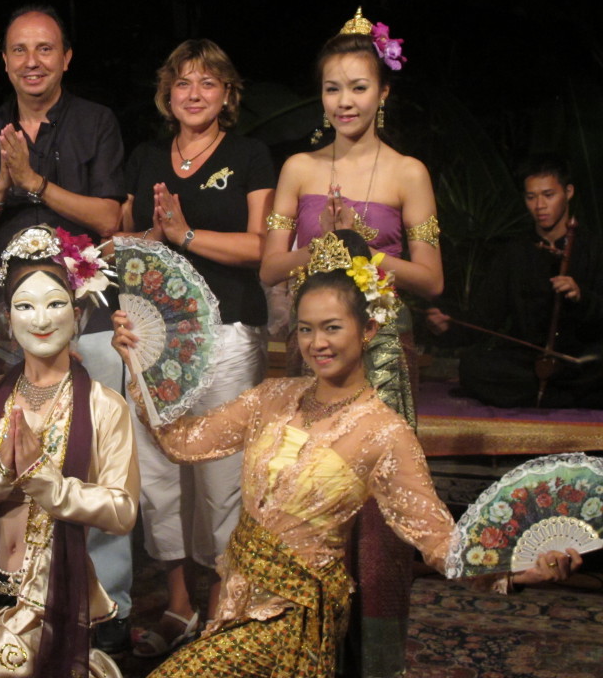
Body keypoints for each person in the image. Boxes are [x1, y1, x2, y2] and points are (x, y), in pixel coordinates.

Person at [114, 230, 583, 678]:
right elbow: (182, 443)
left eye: (332, 328)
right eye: (305, 329)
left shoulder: (384, 433)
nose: (317, 343)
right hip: (236, 600)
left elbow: (440, 541)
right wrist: (139, 363)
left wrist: (522, 570)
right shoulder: (271, 397)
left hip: (294, 617)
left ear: (369, 327)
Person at [259, 8, 441, 677]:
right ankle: (308, 654)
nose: (345, 101)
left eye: (358, 87)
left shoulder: (407, 173)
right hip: (312, 356)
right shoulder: (299, 170)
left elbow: (432, 278)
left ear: (383, 93)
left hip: (383, 356)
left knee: (380, 519)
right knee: (310, 505)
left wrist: (362, 251)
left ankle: (378, 660)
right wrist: (319, 247)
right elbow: (272, 266)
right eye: (334, 88)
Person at [0, 4, 133, 652]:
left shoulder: (95, 123)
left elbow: (110, 216)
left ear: (66, 58)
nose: (32, 61)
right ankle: (5, 598)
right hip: (5, 323)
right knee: (2, 454)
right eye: (20, 50)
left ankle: (104, 607)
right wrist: (3, 185)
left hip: (86, 317)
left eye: (45, 49)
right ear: (4, 61)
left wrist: (38, 184)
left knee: (96, 452)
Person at [119, 38, 275, 656]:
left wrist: (187, 234)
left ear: (228, 94)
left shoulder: (251, 155)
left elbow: (261, 248)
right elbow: (131, 240)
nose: (193, 93)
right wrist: (153, 237)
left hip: (230, 332)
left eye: (207, 83)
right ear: (167, 93)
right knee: (160, 474)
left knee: (221, 475)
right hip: (158, 337)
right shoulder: (148, 156)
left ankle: (222, 603)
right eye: (183, 82)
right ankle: (179, 603)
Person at [0, 225, 138, 678]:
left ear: (78, 313)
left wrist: (47, 483)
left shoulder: (104, 406)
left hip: (49, 598)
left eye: (55, 304)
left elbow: (122, 511)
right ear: (7, 317)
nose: (41, 320)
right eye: (26, 307)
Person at [427, 160, 603, 408]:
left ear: (569, 192)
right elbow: (485, 317)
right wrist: (449, 326)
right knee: (473, 367)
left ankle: (549, 396)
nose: (539, 206)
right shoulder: (515, 252)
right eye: (531, 197)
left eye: (548, 195)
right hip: (528, 361)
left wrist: (581, 296)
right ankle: (566, 398)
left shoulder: (593, 248)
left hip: (579, 360)